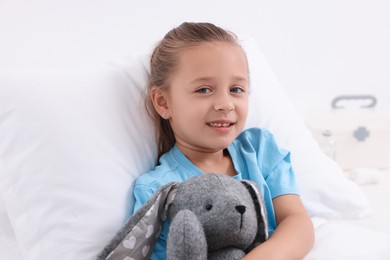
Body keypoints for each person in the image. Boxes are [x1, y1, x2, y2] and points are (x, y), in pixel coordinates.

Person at [131, 22, 314, 259]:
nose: (225, 104)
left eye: (236, 89)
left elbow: (297, 223)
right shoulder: (157, 190)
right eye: (204, 90)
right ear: (164, 102)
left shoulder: (260, 150)